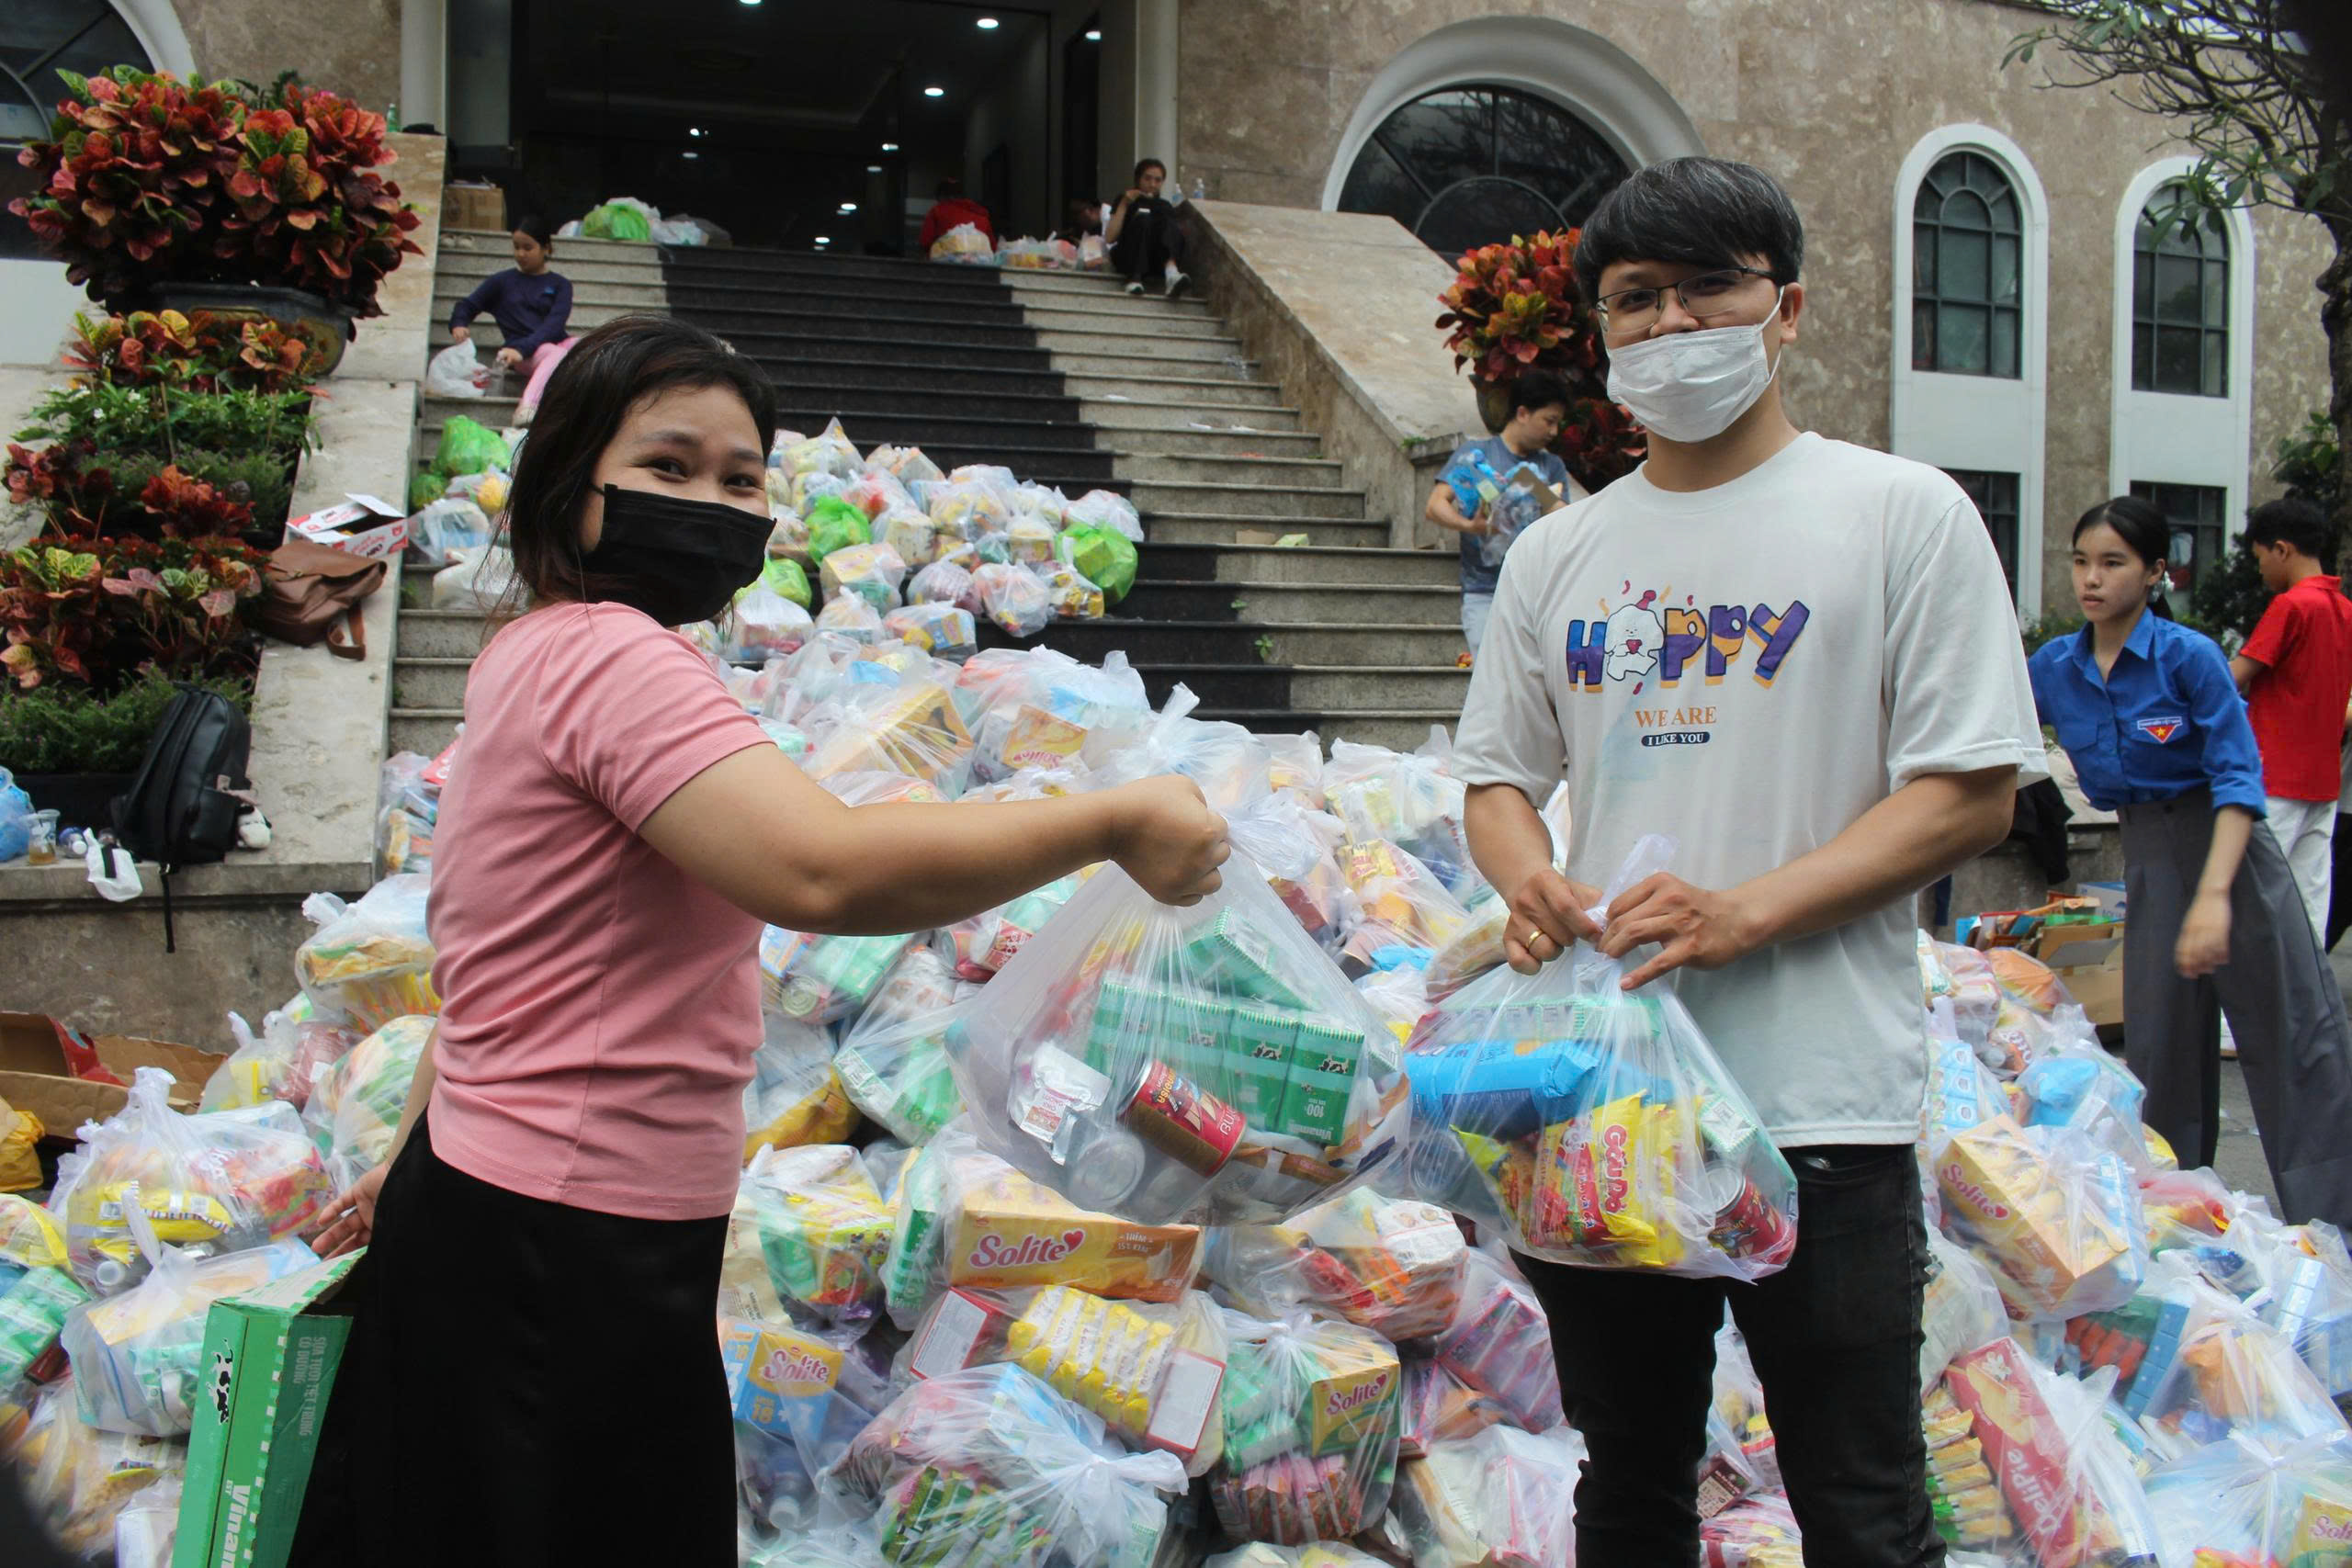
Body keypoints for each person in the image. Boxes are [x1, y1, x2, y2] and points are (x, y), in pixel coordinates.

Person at [289, 314, 1227, 1567]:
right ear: (569, 488)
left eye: (741, 479)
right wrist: (1111, 820)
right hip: (569, 1233)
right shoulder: (613, 658)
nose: (711, 502)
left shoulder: (534, 651)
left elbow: (493, 951)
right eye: (667, 466)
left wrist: (417, 1156)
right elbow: (819, 868)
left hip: (499, 1193)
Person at [1453, 155, 2042, 1567]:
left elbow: (1968, 793)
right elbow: (1496, 781)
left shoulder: (1900, 513)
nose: (1670, 324)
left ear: (1787, 308)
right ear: (1602, 331)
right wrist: (1530, 878)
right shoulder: (1557, 554)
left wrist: (1747, 911)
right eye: (1635, 298)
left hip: (1819, 1105)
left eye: (1706, 287)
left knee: (1862, 1502)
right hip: (1605, 1110)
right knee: (1631, 1485)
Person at [2030, 494, 2352, 1227]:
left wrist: (2213, 896)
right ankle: (2179, 1226)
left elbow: (2238, 776)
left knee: (2293, 1039)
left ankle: (2334, 1230)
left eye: (2113, 562)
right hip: (2148, 857)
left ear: (2155, 573)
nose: (2091, 578)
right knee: (2161, 1051)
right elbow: (1987, 724)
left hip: (2233, 855)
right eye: (2081, 561)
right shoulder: (2054, 667)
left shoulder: (2189, 657)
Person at [2227, 496, 2352, 941]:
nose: (2260, 569)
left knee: (2250, 898)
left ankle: (2242, 992)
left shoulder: (2292, 606)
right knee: (2308, 905)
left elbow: (2231, 679)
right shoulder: (2344, 609)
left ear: (2282, 549)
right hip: (2324, 781)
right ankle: (2307, 986)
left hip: (2275, 777)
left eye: (2260, 557)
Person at [1424, 370, 1574, 661]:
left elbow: (1565, 522)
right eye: (1549, 421)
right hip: (1483, 592)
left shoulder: (1551, 465)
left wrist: (1531, 485)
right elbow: (1435, 505)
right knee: (1487, 673)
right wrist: (1472, 526)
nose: (1554, 432)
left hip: (1534, 595)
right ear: (1522, 413)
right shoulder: (1476, 455)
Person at [447, 215, 576, 423]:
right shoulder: (502, 282)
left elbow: (555, 324)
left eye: (528, 248)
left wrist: (523, 349)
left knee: (589, 346)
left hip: (545, 343)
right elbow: (467, 305)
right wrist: (459, 323)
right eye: (516, 247)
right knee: (557, 354)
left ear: (546, 248)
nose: (520, 254)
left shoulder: (561, 285)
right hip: (519, 353)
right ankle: (528, 407)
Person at [1105, 158, 1189, 298]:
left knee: (1168, 221)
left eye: (1158, 180)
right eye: (1147, 178)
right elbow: (1110, 237)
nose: (1152, 184)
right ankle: (1134, 278)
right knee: (1143, 219)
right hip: (1128, 257)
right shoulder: (1125, 200)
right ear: (1138, 179)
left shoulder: (1164, 206)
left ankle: (1171, 273)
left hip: (1154, 260)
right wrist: (1124, 203)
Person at [918, 176, 995, 252]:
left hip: (945, 259)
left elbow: (925, 242)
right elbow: (993, 248)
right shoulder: (981, 214)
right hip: (979, 259)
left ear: (942, 196)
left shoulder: (936, 211)